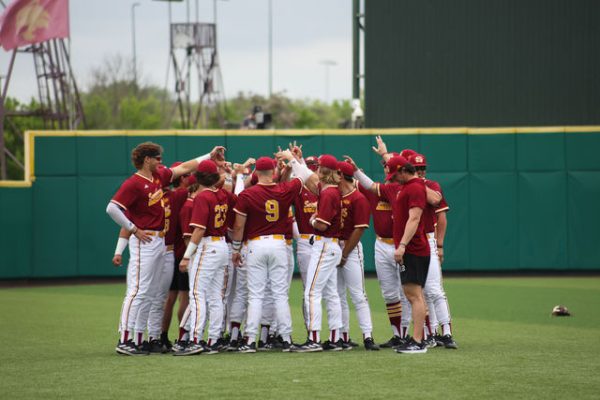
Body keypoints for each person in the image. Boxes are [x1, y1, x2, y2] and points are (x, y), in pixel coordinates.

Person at [106, 142, 223, 356]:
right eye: (157, 158)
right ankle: (124, 339)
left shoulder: (158, 176)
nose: (161, 161)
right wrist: (132, 228)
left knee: (152, 294)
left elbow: (185, 168)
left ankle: (140, 339)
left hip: (160, 242)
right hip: (146, 240)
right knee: (137, 291)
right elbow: (112, 208)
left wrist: (209, 154)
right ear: (147, 159)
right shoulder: (133, 183)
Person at [230, 153, 317, 353]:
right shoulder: (284, 190)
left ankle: (250, 340)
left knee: (255, 295)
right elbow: (303, 176)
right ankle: (286, 338)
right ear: (273, 171)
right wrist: (292, 160)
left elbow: (238, 226)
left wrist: (235, 249)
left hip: (255, 245)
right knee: (279, 295)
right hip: (279, 244)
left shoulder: (247, 194)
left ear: (257, 173)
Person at [176, 160, 236, 356]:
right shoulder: (222, 194)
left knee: (197, 294)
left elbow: (199, 230)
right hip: (221, 247)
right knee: (214, 297)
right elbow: (228, 188)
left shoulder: (202, 197)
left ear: (199, 177)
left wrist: (186, 257)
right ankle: (213, 340)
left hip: (208, 247)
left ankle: (195, 340)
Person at [294, 154, 344, 353]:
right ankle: (335, 337)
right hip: (330, 246)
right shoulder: (332, 190)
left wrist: (314, 220)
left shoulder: (329, 193)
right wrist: (295, 161)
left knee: (312, 292)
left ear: (323, 171)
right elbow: (308, 177)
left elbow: (322, 225)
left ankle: (314, 338)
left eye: (319, 167)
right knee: (331, 293)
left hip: (324, 245)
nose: (316, 170)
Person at [408, 153, 457, 349]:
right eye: (416, 169)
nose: (420, 172)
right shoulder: (403, 187)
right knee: (422, 293)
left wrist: (440, 245)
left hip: (428, 240)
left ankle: (446, 333)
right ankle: (430, 333)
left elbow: (441, 217)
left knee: (435, 290)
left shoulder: (431, 186)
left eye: (422, 168)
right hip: (412, 242)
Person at [385, 155, 431, 354]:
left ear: (404, 171)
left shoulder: (414, 188)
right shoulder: (410, 186)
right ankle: (417, 338)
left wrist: (402, 245)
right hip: (412, 248)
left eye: (396, 175)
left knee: (414, 295)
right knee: (414, 294)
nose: (394, 179)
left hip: (413, 248)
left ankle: (418, 341)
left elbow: (414, 218)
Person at [334, 161, 379, 351]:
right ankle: (343, 336)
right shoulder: (333, 194)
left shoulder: (359, 198)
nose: (333, 177)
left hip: (350, 249)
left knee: (358, 295)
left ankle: (368, 336)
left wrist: (344, 255)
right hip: (333, 247)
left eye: (336, 174)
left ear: (342, 175)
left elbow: (359, 229)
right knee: (337, 295)